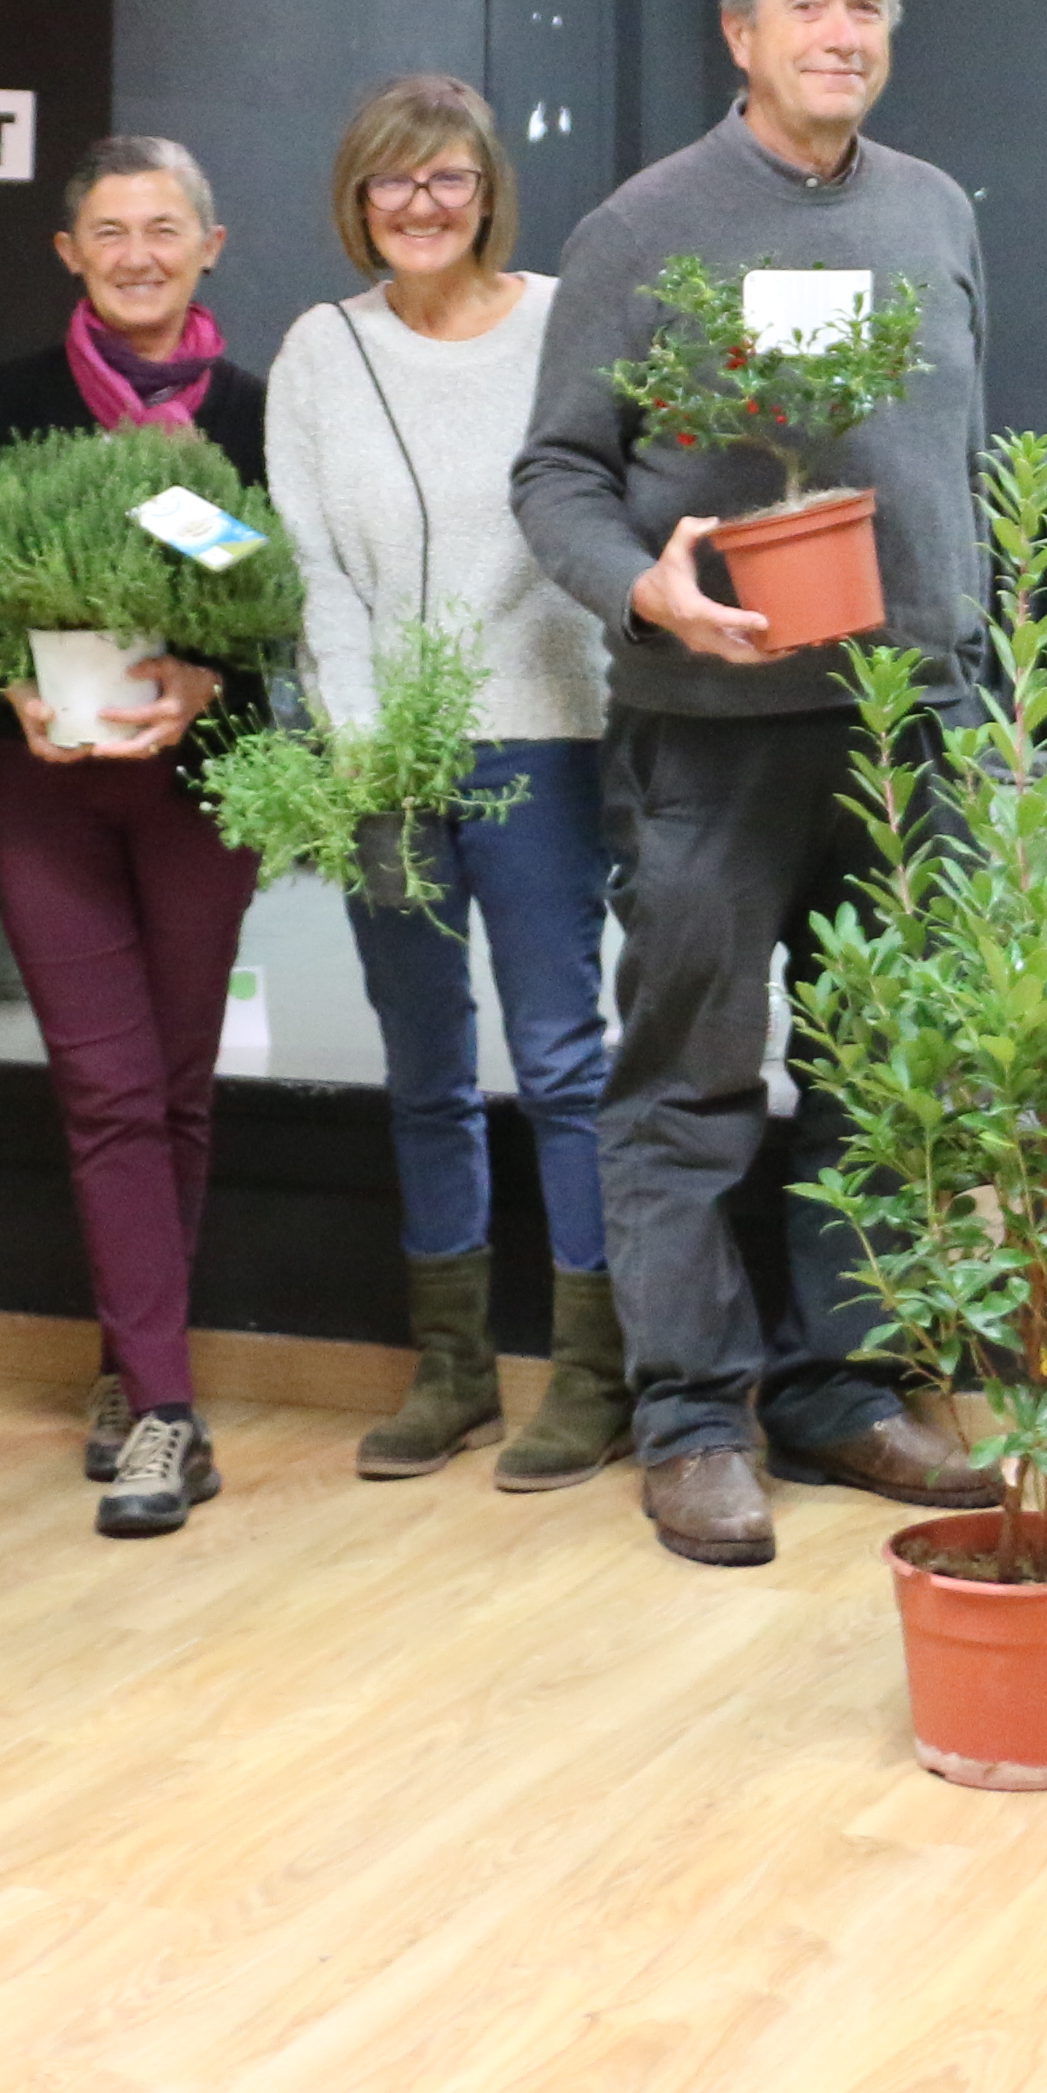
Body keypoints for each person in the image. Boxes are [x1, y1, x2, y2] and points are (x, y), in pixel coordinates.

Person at [511, 0, 1007, 1569]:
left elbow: (956, 442)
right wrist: (642, 594)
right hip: (711, 731)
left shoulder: (935, 210)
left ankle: (838, 1387)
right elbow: (557, 478)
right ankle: (695, 1419)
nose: (842, 34)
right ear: (742, 35)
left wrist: (973, 653)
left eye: (867, 5)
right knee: (691, 1082)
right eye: (809, 5)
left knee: (875, 1077)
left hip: (903, 728)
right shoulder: (645, 227)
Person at [270, 78, 626, 1501]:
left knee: (561, 1061)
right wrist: (360, 733)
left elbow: (592, 516)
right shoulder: (318, 351)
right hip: (384, 756)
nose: (420, 206)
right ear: (357, 198)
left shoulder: (559, 324)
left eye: (448, 180)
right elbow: (310, 560)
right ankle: (455, 1369)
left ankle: (594, 1376)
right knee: (423, 1066)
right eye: (391, 183)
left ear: (489, 192)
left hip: (543, 732)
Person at [0, 137, 271, 1541]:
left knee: (177, 1085)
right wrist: (9, 686)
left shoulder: (247, 415)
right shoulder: (16, 401)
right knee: (111, 1088)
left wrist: (209, 679)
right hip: (48, 785)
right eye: (109, 230)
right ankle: (169, 1418)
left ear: (211, 244)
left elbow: (276, 600)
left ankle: (134, 1365)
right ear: (69, 252)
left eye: (164, 227)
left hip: (202, 786)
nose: (137, 251)